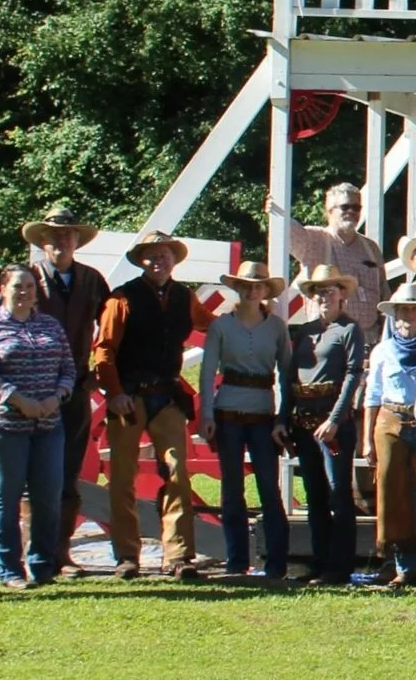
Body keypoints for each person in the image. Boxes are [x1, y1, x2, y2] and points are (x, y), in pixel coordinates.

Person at [91, 230, 218, 579]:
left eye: (164, 254)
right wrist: (114, 392)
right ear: (142, 261)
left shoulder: (185, 298)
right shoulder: (122, 299)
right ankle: (127, 556)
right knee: (122, 477)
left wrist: (254, 315)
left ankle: (178, 556)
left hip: (168, 396)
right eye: (151, 255)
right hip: (129, 398)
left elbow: (214, 326)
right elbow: (104, 349)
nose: (158, 260)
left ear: (173, 259)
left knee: (177, 472)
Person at [21, 204, 109, 571]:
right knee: (33, 473)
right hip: (34, 388)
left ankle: (60, 551)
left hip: (75, 388)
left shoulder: (91, 280)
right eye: (54, 235)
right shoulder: (26, 278)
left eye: (68, 234)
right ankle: (34, 554)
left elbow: (111, 327)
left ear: (77, 240)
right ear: (43, 241)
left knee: (69, 471)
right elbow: (5, 326)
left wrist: (99, 370)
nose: (61, 240)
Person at [0, 266, 74, 589]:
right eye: (18, 286)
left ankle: (42, 566)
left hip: (49, 424)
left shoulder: (50, 325)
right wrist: (18, 400)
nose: (25, 292)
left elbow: (68, 368)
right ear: (3, 288)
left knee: (48, 497)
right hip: (5, 427)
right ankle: (9, 570)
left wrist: (56, 397)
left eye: (30, 286)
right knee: (6, 497)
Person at [197, 261, 292, 580]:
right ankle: (236, 561)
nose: (252, 291)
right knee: (232, 488)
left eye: (259, 285)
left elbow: (287, 374)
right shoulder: (221, 326)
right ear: (237, 288)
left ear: (266, 290)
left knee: (269, 487)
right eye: (247, 285)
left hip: (263, 414)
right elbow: (207, 371)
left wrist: (282, 417)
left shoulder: (277, 327)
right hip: (228, 413)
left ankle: (277, 563)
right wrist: (207, 414)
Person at [288, 264, 366, 584]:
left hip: (333, 422)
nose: (324, 297)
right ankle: (320, 561)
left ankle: (340, 565)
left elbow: (353, 374)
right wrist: (284, 418)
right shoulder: (303, 332)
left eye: (330, 291)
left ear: (341, 295)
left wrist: (335, 419)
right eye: (319, 292)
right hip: (304, 420)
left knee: (338, 492)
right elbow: (289, 377)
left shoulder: (349, 330)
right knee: (314, 493)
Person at [364, 284, 416, 587]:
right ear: (394, 315)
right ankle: (404, 566)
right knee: (392, 490)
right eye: (402, 310)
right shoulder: (382, 351)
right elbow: (372, 395)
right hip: (390, 421)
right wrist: (366, 440)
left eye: (414, 309)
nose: (408, 315)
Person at [288, 181, 387, 332]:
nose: (351, 211)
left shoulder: (371, 247)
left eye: (356, 207)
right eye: (345, 207)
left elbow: (384, 292)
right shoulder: (314, 240)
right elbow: (285, 230)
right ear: (329, 210)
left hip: (369, 337)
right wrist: (275, 210)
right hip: (327, 336)